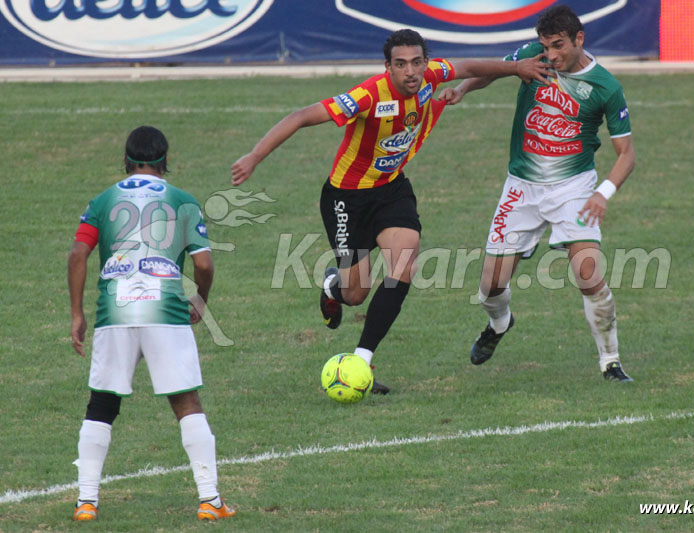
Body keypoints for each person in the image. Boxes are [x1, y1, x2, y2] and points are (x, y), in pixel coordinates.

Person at [231, 29, 552, 394]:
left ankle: (361, 361)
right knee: (356, 294)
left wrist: (516, 68)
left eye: (416, 62)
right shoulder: (368, 95)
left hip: (391, 190)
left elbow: (468, 67)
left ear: (425, 62)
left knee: (403, 266)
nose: (410, 71)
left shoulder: (431, 76)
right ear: (388, 67)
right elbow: (302, 115)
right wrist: (254, 156)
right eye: (400, 64)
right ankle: (333, 286)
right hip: (346, 200)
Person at [440, 5, 636, 381]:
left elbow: (627, 154)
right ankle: (500, 324)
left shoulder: (606, 87)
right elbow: (490, 71)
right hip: (522, 187)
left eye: (559, 45)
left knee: (588, 273)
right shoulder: (533, 58)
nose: (551, 55)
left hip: (573, 188)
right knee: (490, 287)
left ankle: (610, 361)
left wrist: (602, 193)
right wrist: (463, 88)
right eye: (546, 46)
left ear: (579, 39)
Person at [67, 126, 236, 521]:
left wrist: (77, 313)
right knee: (186, 402)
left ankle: (86, 502)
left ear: (126, 161)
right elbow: (204, 263)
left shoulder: (103, 200)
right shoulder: (183, 201)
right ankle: (210, 501)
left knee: (102, 403)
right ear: (166, 160)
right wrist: (201, 299)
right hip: (166, 313)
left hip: (115, 312)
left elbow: (77, 254)